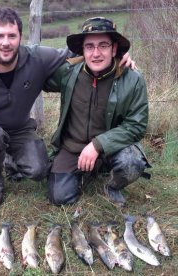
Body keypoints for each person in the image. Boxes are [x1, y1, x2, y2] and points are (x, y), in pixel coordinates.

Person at [0, 7, 134, 210]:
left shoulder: (37, 58)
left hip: (20, 129)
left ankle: (8, 158)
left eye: (12, 35)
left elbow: (77, 50)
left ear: (20, 37)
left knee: (39, 170)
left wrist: (120, 56)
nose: (5, 42)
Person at [44, 17, 151, 206]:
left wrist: (97, 145)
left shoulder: (133, 79)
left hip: (111, 149)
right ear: (82, 50)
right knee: (59, 197)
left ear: (114, 48)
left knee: (131, 163)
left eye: (103, 45)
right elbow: (35, 76)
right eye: (89, 46)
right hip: (72, 148)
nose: (96, 53)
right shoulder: (68, 72)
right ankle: (83, 173)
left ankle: (112, 185)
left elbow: (136, 126)